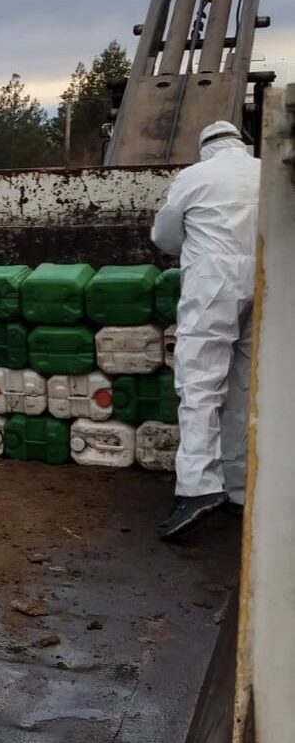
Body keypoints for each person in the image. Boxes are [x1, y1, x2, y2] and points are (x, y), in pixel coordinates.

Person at [152, 120, 259, 539]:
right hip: (264, 280)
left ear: (205, 148)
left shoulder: (194, 177)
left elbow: (165, 236)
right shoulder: (265, 171)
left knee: (199, 386)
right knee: (244, 385)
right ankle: (238, 487)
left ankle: (198, 487)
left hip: (213, 283)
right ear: (240, 143)